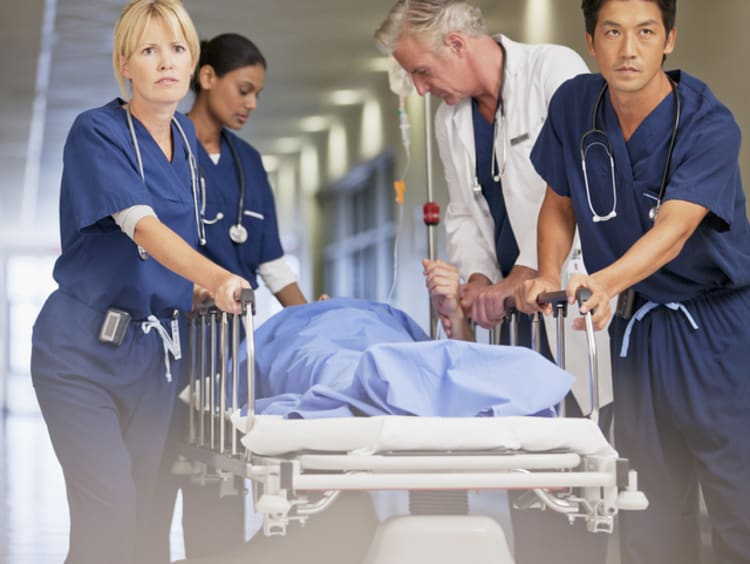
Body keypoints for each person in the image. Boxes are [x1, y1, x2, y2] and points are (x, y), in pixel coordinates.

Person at [374, 2, 610, 563]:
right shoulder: (451, 118)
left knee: (574, 487)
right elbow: (463, 212)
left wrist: (519, 280)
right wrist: (481, 281)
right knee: (526, 483)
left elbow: (580, 194)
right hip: (515, 323)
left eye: (423, 71)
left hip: (564, 306)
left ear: (456, 44)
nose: (421, 87)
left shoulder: (554, 72)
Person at [516, 0, 750, 562]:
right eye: (613, 32)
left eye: (645, 32)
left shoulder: (707, 124)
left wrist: (605, 282)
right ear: (591, 41)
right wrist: (548, 271)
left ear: (668, 39)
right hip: (638, 332)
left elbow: (673, 230)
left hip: (715, 330)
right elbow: (559, 201)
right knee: (646, 502)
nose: (628, 49)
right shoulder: (576, 104)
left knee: (736, 498)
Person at [29, 2, 250, 563]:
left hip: (154, 361)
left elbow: (182, 250)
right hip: (80, 356)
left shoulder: (186, 147)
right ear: (125, 63)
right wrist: (219, 277)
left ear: (192, 59)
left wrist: (200, 290)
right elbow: (144, 230)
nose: (166, 62)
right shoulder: (97, 132)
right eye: (149, 50)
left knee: (147, 525)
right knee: (109, 513)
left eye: (177, 49)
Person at [147, 33, 312, 562]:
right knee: (151, 494)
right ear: (207, 76)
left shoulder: (248, 162)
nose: (251, 104)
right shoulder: (160, 147)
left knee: (218, 486)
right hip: (164, 349)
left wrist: (312, 319)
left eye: (258, 94)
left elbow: (269, 261)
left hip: (227, 357)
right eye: (243, 89)